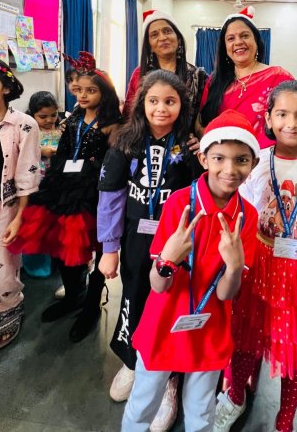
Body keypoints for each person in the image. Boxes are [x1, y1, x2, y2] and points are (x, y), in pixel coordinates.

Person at [213, 81, 297, 432]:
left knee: (294, 350)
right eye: (282, 114)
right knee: (246, 341)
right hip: (259, 263)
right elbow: (239, 215)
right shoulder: (255, 163)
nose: (292, 123)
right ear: (269, 119)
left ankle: (285, 419)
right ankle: (235, 398)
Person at [121, 109, 260, 431]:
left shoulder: (247, 216)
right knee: (142, 405)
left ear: (253, 164)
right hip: (163, 323)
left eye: (241, 160)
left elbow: (225, 294)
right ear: (203, 159)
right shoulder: (179, 204)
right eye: (219, 158)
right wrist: (167, 261)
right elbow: (158, 285)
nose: (230, 170)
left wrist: (234, 266)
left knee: (201, 414)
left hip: (209, 326)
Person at [98, 70, 194, 410]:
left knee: (172, 302)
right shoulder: (124, 143)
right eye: (153, 101)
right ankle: (132, 360)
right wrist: (109, 248)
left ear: (182, 105)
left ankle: (170, 376)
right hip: (136, 240)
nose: (161, 109)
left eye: (170, 101)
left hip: (177, 243)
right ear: (141, 104)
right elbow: (110, 199)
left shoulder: (191, 147)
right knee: (135, 295)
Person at [9, 52, 121, 343]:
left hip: (96, 194)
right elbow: (63, 153)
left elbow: (115, 163)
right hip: (63, 189)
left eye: (91, 90)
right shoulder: (73, 119)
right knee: (63, 247)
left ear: (104, 92)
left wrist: (90, 170)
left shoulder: (113, 124)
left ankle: (92, 305)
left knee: (98, 251)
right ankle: (73, 295)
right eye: (78, 89)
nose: (82, 95)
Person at [197, 6, 297, 192]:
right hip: (228, 174)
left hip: (270, 172)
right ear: (224, 47)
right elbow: (203, 124)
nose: (238, 42)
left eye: (245, 36)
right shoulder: (214, 83)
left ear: (257, 41)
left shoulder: (278, 76)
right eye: (231, 38)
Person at [0, 57, 40, 350]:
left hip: (2, 209)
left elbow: (27, 173)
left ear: (5, 87)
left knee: (2, 267)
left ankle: (6, 313)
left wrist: (19, 217)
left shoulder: (23, 125)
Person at [124, 9, 207, 130]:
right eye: (154, 35)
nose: (162, 38)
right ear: (149, 46)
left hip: (186, 139)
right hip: (142, 138)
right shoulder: (139, 74)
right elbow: (127, 116)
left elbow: (204, 120)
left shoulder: (199, 77)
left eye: (167, 31)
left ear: (178, 39)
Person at [22, 91, 62, 278]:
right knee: (36, 225)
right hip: (36, 185)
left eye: (53, 115)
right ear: (32, 115)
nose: (49, 120)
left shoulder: (61, 130)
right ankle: (37, 265)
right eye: (43, 116)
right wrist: (41, 151)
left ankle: (56, 262)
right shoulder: (28, 132)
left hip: (57, 184)